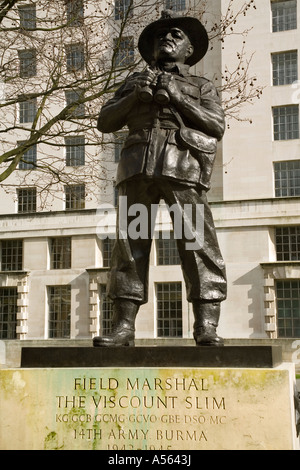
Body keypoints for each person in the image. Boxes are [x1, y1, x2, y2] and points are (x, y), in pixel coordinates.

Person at [94, 10, 227, 347]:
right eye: (160, 36)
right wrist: (132, 96)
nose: (167, 38)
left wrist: (179, 97)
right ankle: (124, 328)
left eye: (176, 35)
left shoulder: (200, 85)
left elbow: (216, 126)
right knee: (130, 247)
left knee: (196, 243)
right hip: (138, 169)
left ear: (189, 51)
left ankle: (206, 326)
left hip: (182, 170)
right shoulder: (132, 82)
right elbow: (105, 121)